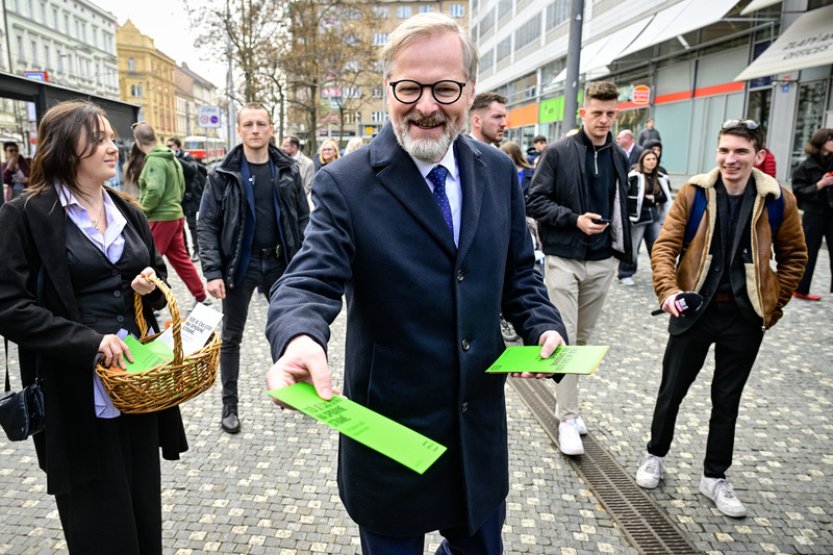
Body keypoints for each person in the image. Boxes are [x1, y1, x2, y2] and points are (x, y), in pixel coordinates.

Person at [264, 13, 565, 554]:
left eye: (445, 88)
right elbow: (308, 278)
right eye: (410, 87)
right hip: (390, 441)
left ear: (469, 91)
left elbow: (520, 269)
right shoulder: (345, 183)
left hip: (477, 437)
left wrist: (541, 322)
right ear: (389, 89)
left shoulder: (498, 172)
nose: (426, 105)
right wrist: (300, 337)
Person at [0, 100, 188, 553]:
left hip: (137, 385)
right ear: (67, 148)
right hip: (75, 394)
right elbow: (8, 305)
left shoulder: (130, 211)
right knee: (98, 526)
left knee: (143, 515)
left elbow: (153, 273)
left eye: (111, 137)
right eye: (99, 138)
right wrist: (88, 342)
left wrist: (146, 284)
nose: (113, 147)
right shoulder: (28, 215)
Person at [635, 119, 807, 518]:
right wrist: (669, 291)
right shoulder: (695, 193)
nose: (731, 159)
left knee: (727, 399)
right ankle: (654, 455)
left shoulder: (778, 199)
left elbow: (795, 256)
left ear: (758, 156)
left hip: (744, 318)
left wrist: (772, 303)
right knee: (671, 390)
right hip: (694, 310)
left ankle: (714, 476)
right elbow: (665, 247)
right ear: (717, 152)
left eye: (741, 152)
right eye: (725, 150)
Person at [526, 80, 632, 456]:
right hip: (564, 258)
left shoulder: (620, 155)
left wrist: (621, 249)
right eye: (597, 113)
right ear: (583, 112)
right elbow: (534, 201)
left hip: (603, 260)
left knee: (582, 342)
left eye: (610, 114)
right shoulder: (557, 153)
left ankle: (563, 403)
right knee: (566, 340)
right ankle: (568, 417)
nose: (604, 120)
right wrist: (574, 220)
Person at [199, 103, 309, 434]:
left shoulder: (287, 169)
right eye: (249, 124)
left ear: (272, 128)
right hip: (240, 265)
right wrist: (213, 271)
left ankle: (298, 392)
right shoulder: (222, 173)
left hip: (280, 263)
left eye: (261, 124)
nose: (255, 130)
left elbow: (303, 218)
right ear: (239, 129)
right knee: (232, 336)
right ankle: (229, 405)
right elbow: (205, 223)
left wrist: (305, 263)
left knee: (292, 329)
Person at [133, 123, 208, 304]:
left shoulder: (154, 160)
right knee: (181, 260)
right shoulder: (170, 157)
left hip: (160, 218)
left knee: (147, 262)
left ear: (137, 142)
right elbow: (181, 185)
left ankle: (147, 303)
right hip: (175, 215)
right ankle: (201, 297)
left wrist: (141, 210)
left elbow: (154, 191)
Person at [617, 149, 672, 286]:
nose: (651, 162)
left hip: (654, 218)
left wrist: (653, 198)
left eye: (654, 159)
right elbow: (628, 197)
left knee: (657, 248)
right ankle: (625, 273)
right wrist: (652, 199)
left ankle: (662, 276)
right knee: (633, 247)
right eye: (648, 159)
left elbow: (665, 197)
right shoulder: (634, 176)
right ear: (642, 161)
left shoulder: (660, 177)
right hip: (637, 219)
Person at [790, 128, 833, 301]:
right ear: (823, 142)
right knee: (809, 252)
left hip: (832, 213)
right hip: (813, 214)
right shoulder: (805, 166)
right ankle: (801, 289)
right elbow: (798, 191)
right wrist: (820, 185)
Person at [167, 137, 206, 262]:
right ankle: (186, 252)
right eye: (167, 146)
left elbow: (192, 169)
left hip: (190, 196)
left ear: (177, 146)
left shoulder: (186, 157)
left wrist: (176, 159)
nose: (169, 148)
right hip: (178, 198)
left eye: (171, 146)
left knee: (192, 224)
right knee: (180, 226)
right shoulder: (168, 160)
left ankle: (197, 250)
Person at [281, 135, 315, 206]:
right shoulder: (280, 161)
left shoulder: (308, 163)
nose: (282, 148)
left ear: (294, 147)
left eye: (285, 146)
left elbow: (308, 187)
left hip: (299, 204)